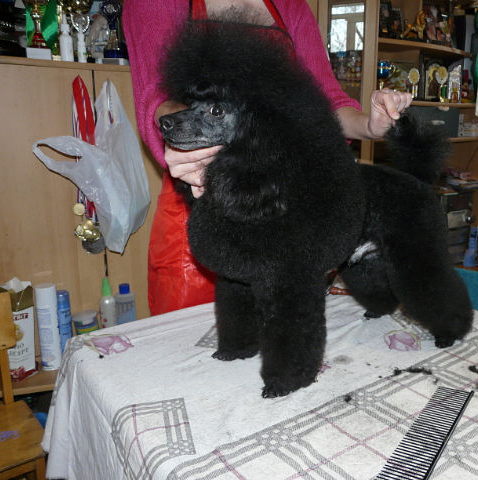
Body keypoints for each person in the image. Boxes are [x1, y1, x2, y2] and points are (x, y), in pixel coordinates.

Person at [123, 0, 412, 315]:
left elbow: (325, 103)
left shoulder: (291, 6)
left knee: (281, 325)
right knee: (190, 338)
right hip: (198, 201)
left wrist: (370, 125)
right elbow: (157, 95)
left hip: (274, 206)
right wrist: (190, 127)